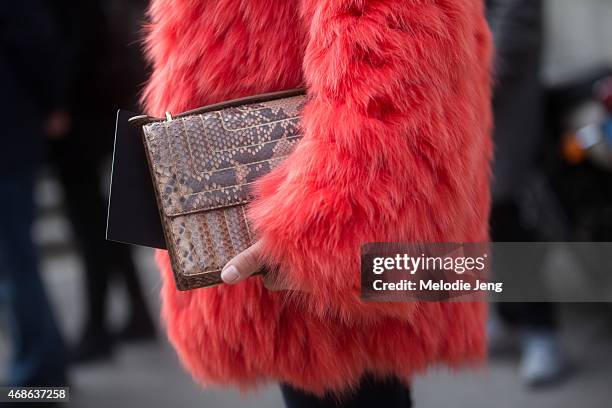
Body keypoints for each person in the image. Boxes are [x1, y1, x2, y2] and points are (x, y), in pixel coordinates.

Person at [142, 0, 493, 406]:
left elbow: (390, 75)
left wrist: (324, 238)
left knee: (354, 381)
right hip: (262, 227)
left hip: (314, 245)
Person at [45, 0, 155, 363]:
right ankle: (135, 314)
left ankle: (98, 326)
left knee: (90, 224)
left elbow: (75, 43)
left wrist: (56, 103)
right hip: (96, 109)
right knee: (102, 221)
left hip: (77, 116)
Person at [486, 0, 565, 386]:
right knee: (483, 222)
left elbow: (516, 20)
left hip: (501, 99)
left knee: (509, 214)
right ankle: (508, 315)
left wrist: (466, 77)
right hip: (466, 106)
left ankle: (540, 330)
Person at [0, 0, 68, 386]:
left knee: (15, 262)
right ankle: (42, 364)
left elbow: (37, 40)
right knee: (14, 261)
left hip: (9, 138)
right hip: (12, 134)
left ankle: (38, 375)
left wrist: (53, 103)